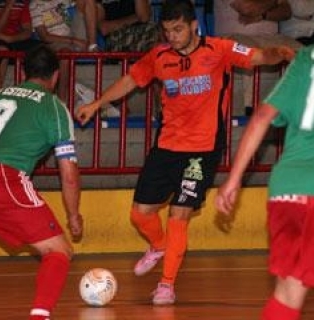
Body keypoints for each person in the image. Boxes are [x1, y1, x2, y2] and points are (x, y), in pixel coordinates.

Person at [76, 0, 294, 305]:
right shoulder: (159, 56)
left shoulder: (219, 49)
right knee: (139, 214)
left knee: (180, 214)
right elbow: (130, 80)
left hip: (202, 150)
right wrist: (96, 104)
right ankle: (159, 245)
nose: (173, 37)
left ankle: (166, 284)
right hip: (166, 145)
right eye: (167, 31)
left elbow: (259, 56)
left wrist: (280, 53)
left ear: (194, 26)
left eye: (178, 29)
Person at [215, 45, 314, 320]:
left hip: (287, 190)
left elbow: (261, 117)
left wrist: (233, 180)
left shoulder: (304, 61)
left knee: (288, 294)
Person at [0, 45, 83, 320]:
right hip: (4, 178)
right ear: (55, 76)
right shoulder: (54, 108)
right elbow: (68, 173)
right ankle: (39, 316)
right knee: (58, 251)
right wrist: (73, 214)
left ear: (24, 71)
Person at [214, 0, 301, 117]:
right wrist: (274, 2)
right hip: (234, 36)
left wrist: (261, 15)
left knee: (305, 53)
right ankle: (249, 110)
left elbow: (286, 12)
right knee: (247, 50)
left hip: (272, 38)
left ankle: (305, 106)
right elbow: (246, 8)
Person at [30, 0, 99, 101]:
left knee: (89, 1)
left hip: (73, 35)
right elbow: (44, 36)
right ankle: (62, 100)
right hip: (54, 41)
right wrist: (74, 41)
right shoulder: (35, 4)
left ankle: (92, 46)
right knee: (65, 54)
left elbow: (83, 7)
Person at [0, 0, 42, 91]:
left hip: (15, 39)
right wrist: (8, 6)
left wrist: (11, 38)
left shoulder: (21, 4)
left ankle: (37, 92)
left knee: (41, 49)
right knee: (3, 50)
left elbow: (27, 31)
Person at [96, 0, 160, 52]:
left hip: (141, 33)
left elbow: (144, 17)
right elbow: (104, 29)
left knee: (153, 31)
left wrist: (117, 24)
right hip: (116, 37)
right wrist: (135, 18)